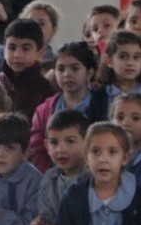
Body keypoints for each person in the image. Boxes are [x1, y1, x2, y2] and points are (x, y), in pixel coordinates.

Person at [7, 109, 90, 225]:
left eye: (70, 142)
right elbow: (47, 217)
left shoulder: (93, 178)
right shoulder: (49, 178)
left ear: (87, 144)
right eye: (54, 142)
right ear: (46, 146)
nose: (61, 149)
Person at [27, 42, 109, 171]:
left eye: (75, 68)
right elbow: (38, 150)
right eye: (61, 69)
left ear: (89, 73)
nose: (67, 74)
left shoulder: (104, 105)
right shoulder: (44, 110)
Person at [0, 18, 56, 120]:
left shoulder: (44, 89)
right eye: (12, 48)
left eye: (26, 49)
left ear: (39, 53)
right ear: (4, 49)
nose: (17, 55)